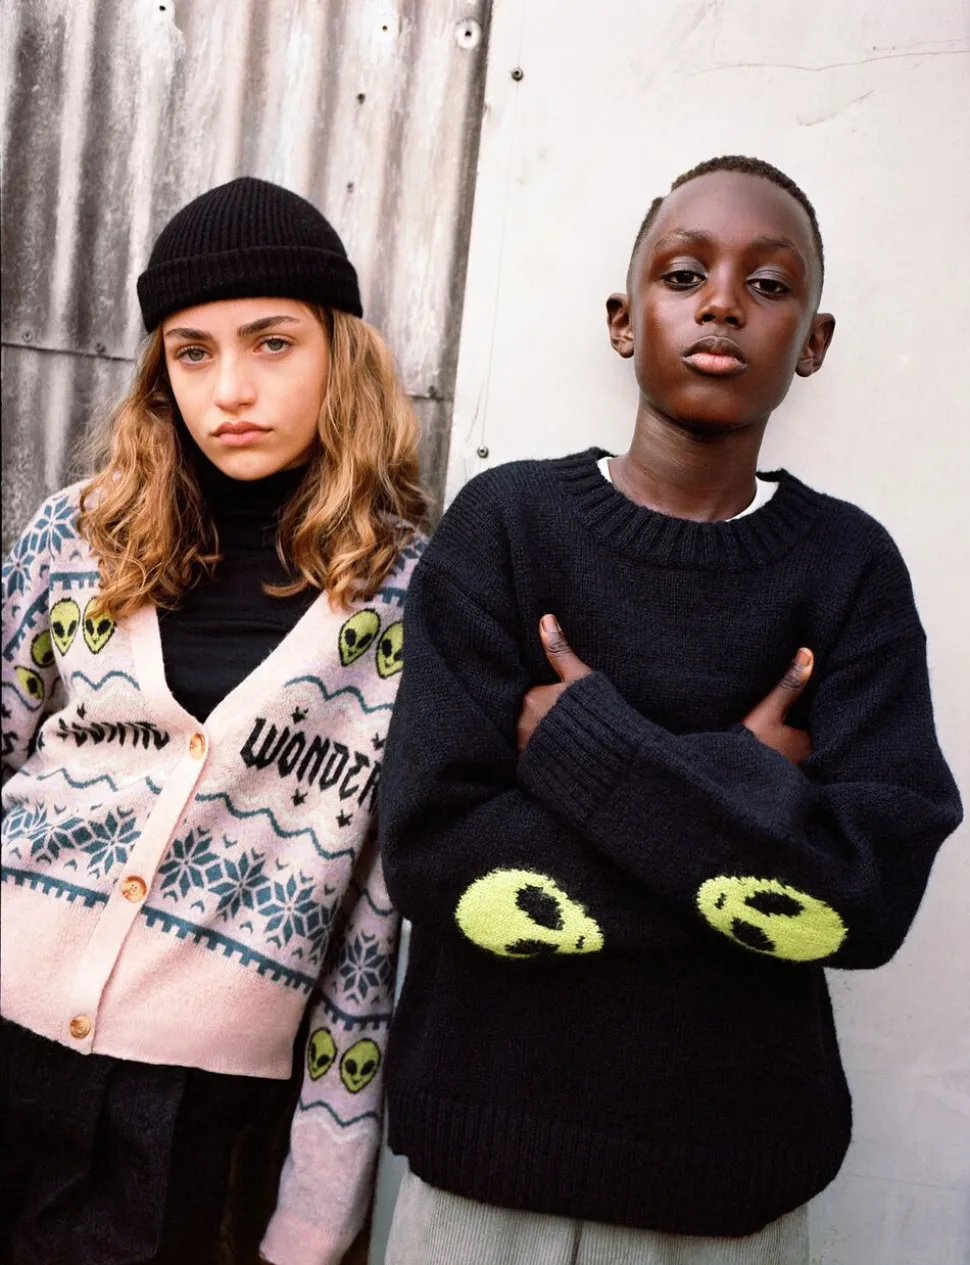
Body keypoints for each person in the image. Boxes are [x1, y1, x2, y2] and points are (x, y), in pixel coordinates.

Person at [377, 155, 963, 1265]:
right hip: (485, 1169)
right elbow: (435, 856)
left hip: (732, 1185)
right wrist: (747, 790)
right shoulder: (504, 527)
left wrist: (585, 748)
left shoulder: (849, 568)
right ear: (623, 318)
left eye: (768, 284)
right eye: (684, 273)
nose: (722, 303)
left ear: (813, 342)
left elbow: (868, 896)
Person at [1, 176, 426, 1265]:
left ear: (341, 353)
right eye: (192, 352)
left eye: (272, 343)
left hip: (190, 1118)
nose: (230, 388)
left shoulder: (408, 604)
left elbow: (370, 929)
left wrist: (316, 1212)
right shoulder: (75, 538)